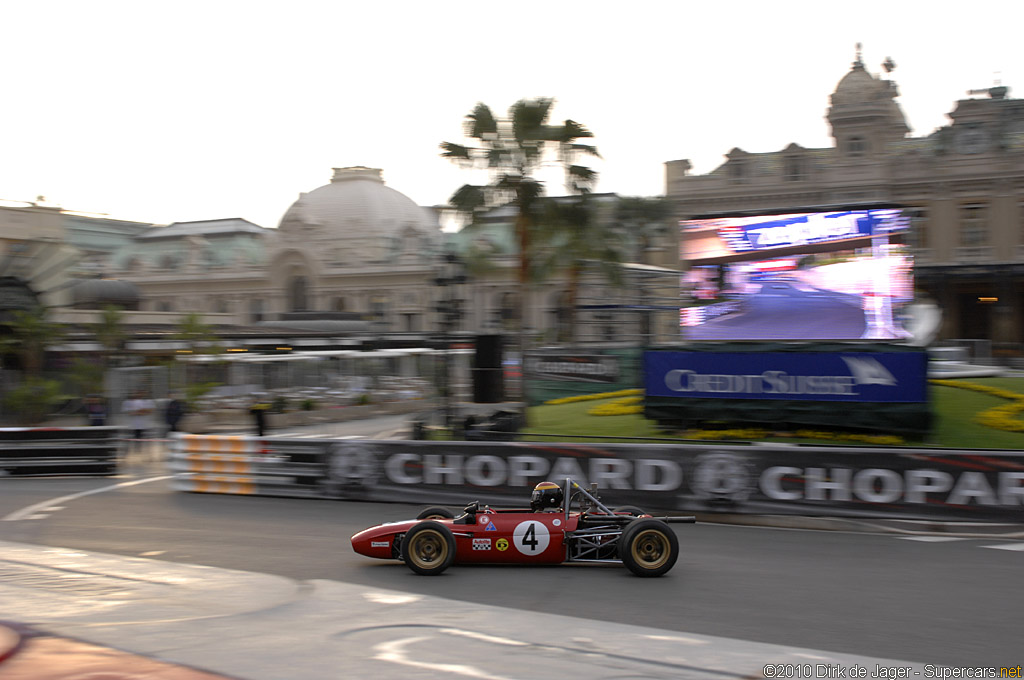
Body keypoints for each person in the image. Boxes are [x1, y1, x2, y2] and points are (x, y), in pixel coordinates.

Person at [123, 391, 154, 455]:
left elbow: (149, 411)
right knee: (134, 438)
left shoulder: (147, 401)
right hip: (133, 424)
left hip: (144, 424)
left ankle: (145, 451)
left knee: (145, 438)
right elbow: (131, 412)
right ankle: (133, 451)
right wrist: (139, 411)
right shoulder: (131, 402)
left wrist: (139, 411)